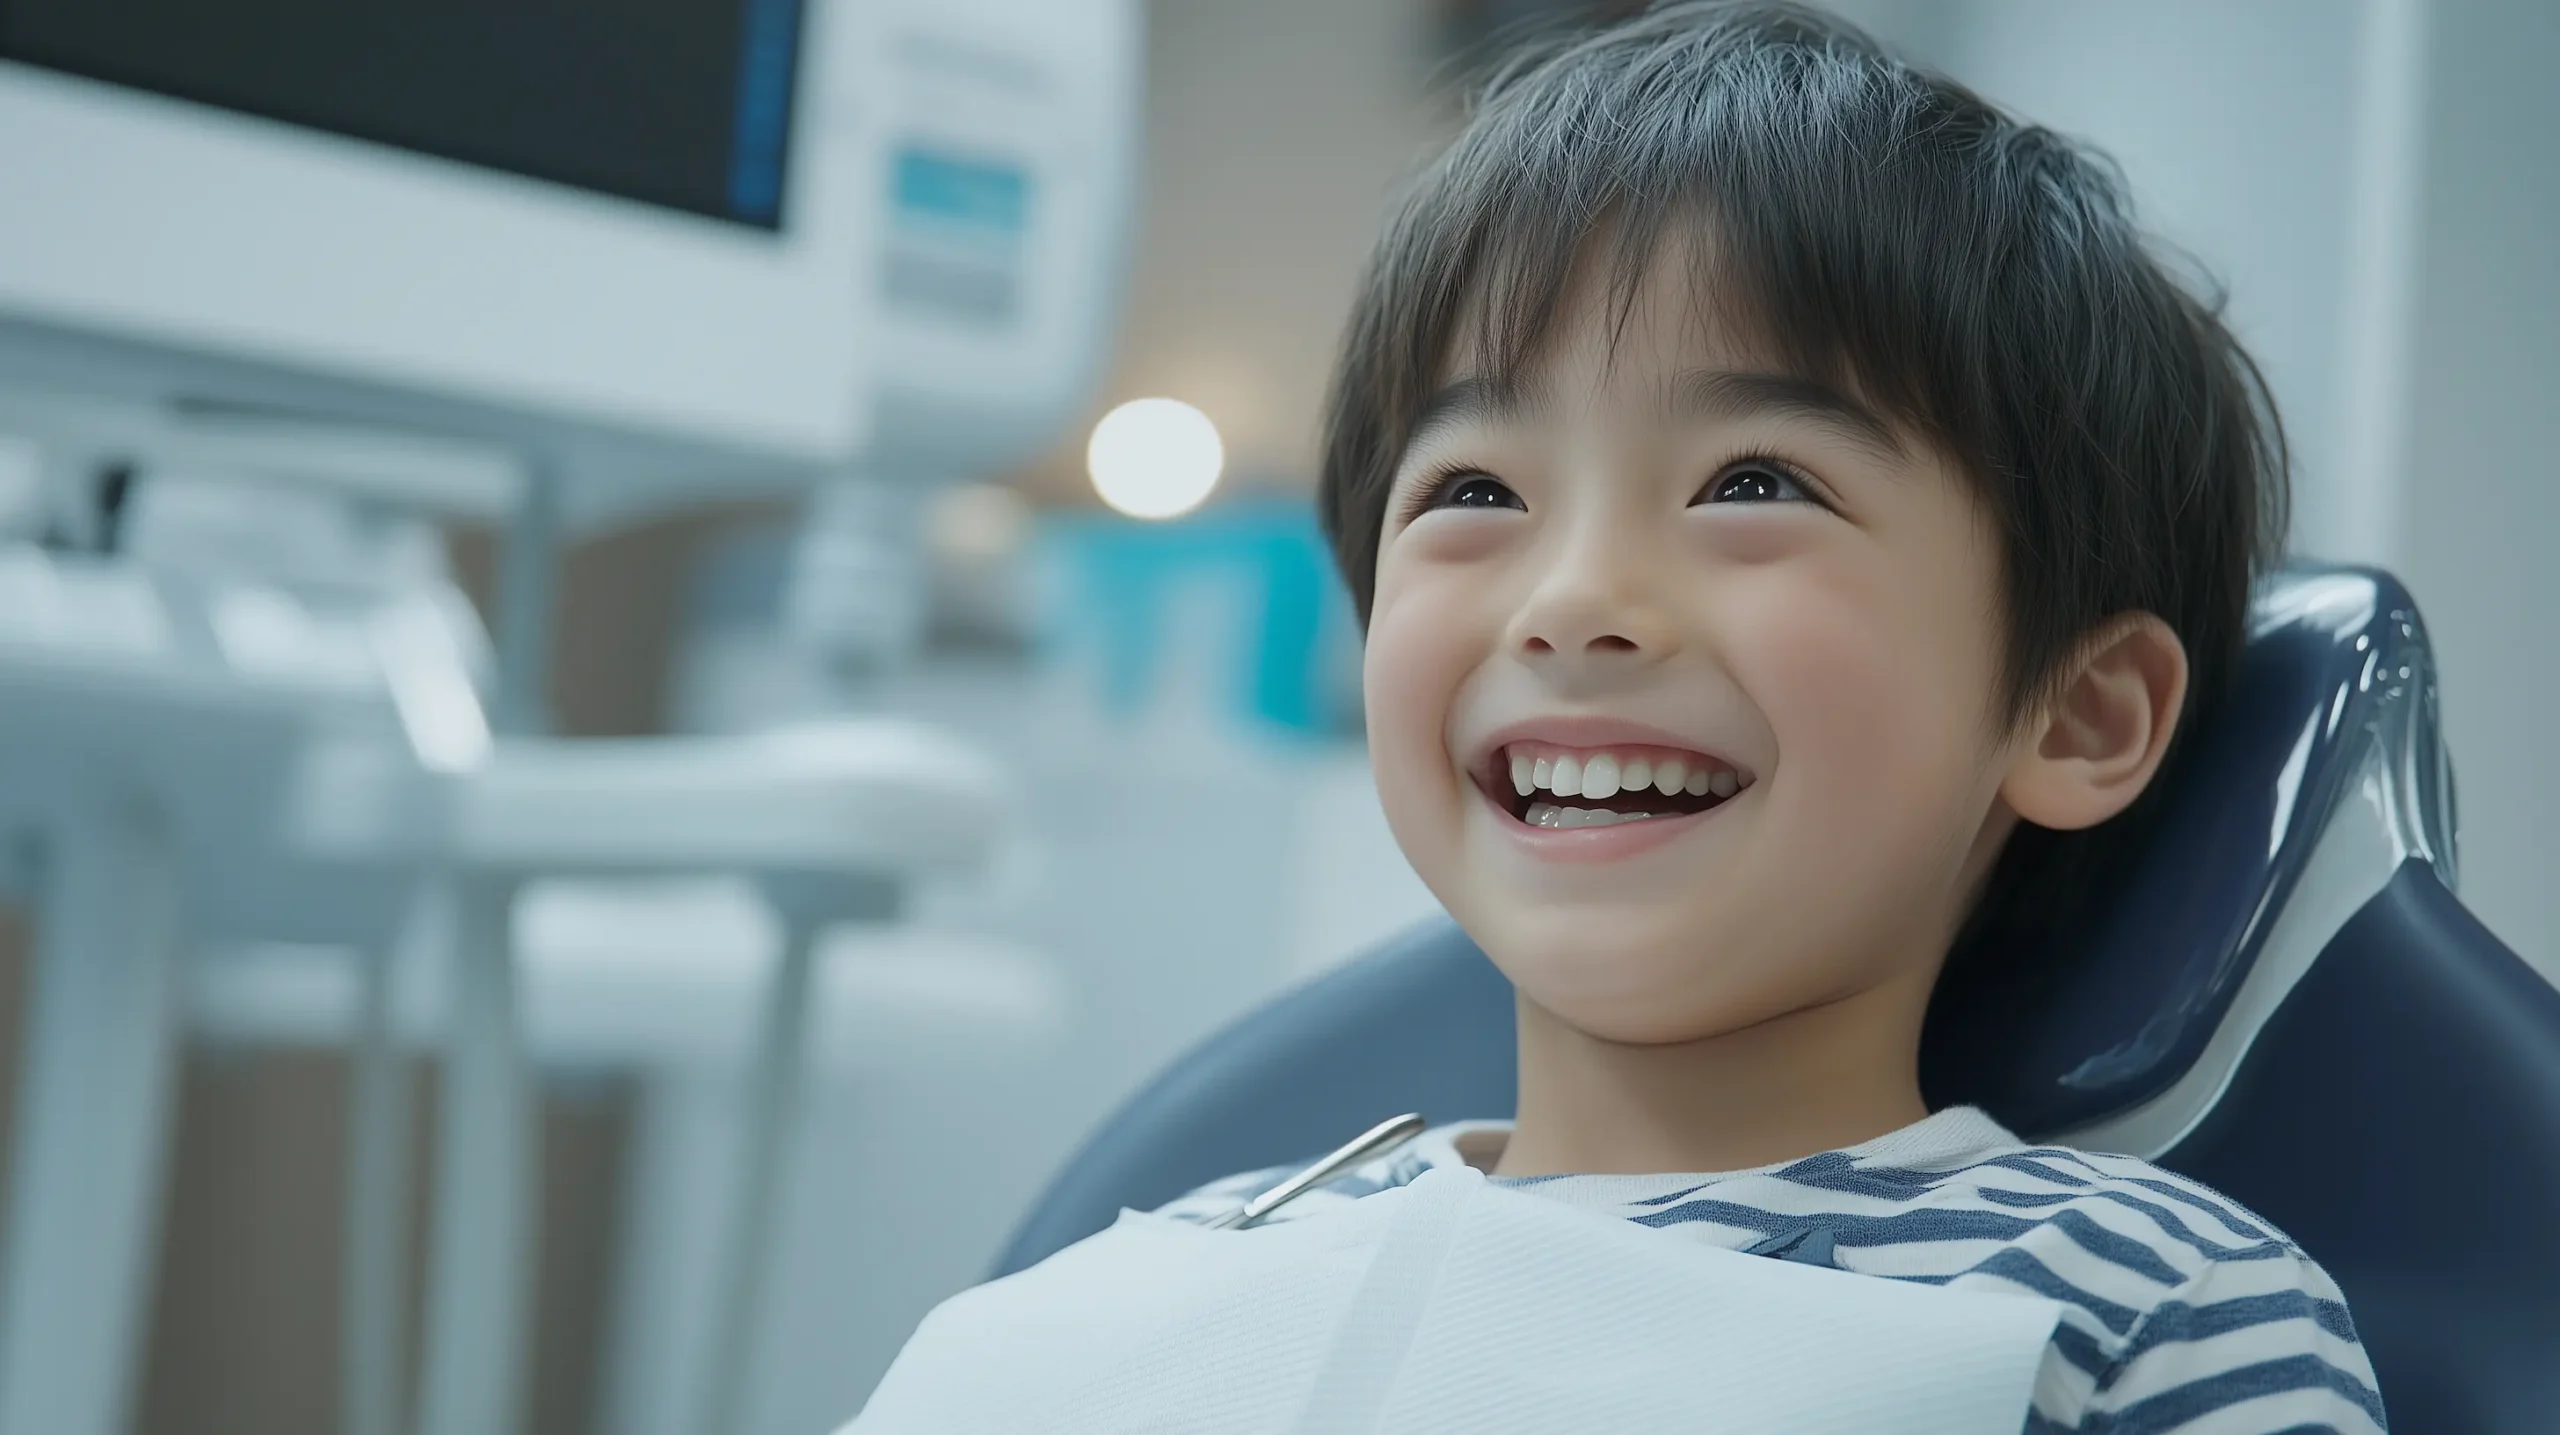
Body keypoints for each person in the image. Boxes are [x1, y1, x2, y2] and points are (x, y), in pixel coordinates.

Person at [1142, 3, 2385, 1429]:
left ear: (2076, 716)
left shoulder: (2146, 1311)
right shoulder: (1218, 1257)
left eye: (1754, 483)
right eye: (1475, 492)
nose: (1572, 598)